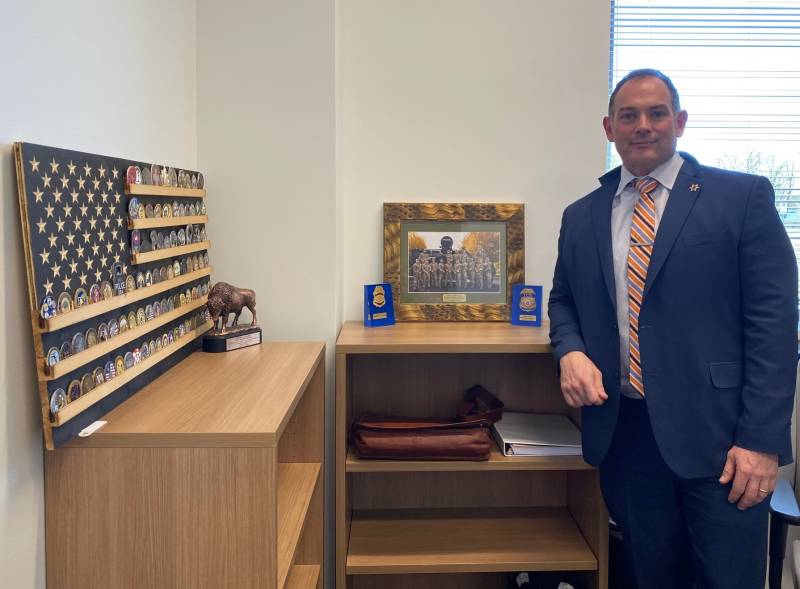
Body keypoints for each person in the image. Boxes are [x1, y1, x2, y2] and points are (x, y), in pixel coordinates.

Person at [548, 68, 798, 588]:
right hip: (625, 435)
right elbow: (564, 300)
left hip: (724, 442)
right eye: (628, 115)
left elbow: (774, 327)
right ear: (608, 128)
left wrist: (761, 441)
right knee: (649, 575)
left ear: (679, 122)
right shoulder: (582, 215)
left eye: (656, 113)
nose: (643, 125)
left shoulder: (740, 198)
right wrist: (570, 351)